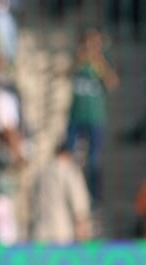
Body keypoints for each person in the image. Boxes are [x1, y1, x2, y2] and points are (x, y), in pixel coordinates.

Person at [65, 27, 119, 205]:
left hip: (95, 119)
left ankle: (95, 198)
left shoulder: (100, 63)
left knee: (95, 160)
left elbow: (112, 83)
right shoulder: (77, 61)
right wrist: (80, 59)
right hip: (76, 118)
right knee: (70, 158)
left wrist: (99, 63)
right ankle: (71, 195)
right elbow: (66, 74)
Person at [30, 142, 92, 244]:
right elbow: (79, 204)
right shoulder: (69, 170)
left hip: (39, 232)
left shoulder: (41, 173)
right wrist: (82, 229)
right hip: (62, 232)